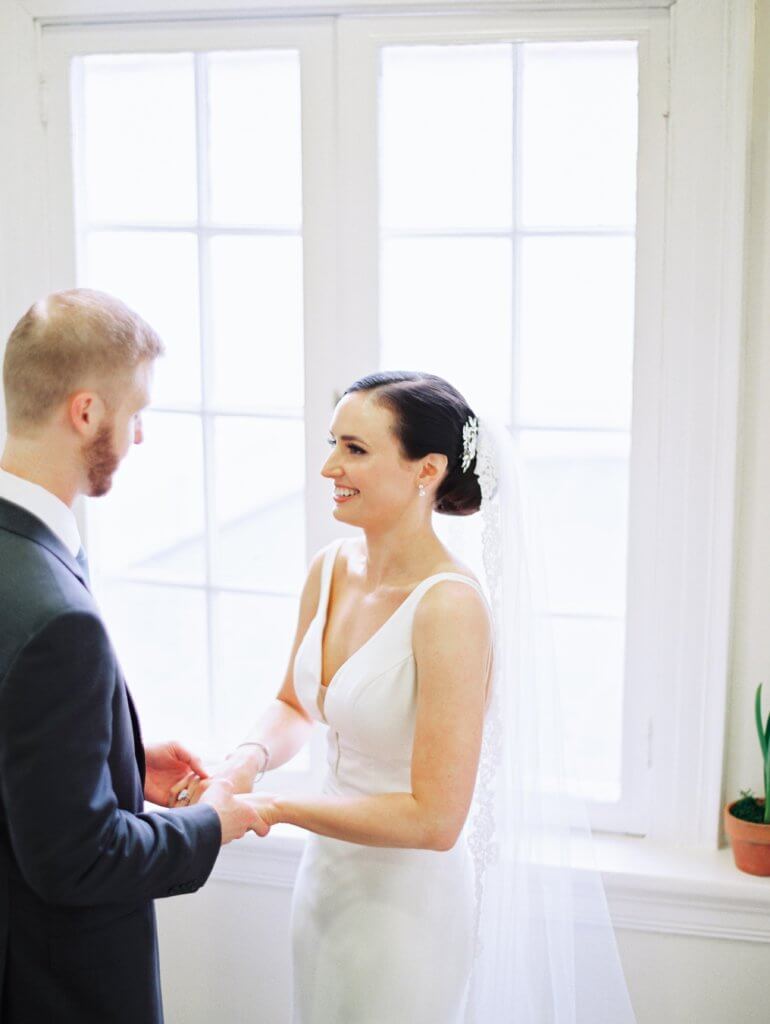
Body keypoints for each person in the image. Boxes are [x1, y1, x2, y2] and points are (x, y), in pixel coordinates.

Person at [183, 371, 494, 1022]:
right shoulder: (329, 567)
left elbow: (436, 821)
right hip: (325, 886)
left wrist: (274, 806)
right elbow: (297, 705)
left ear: (426, 470)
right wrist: (244, 761)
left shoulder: (451, 608)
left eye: (354, 449)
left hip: (405, 911)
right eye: (333, 443)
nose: (329, 466)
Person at [0, 289, 270, 1024]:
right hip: (52, 989)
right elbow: (78, 859)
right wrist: (212, 822)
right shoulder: (58, 616)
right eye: (137, 412)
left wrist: (115, 759)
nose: (141, 436)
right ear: (86, 412)